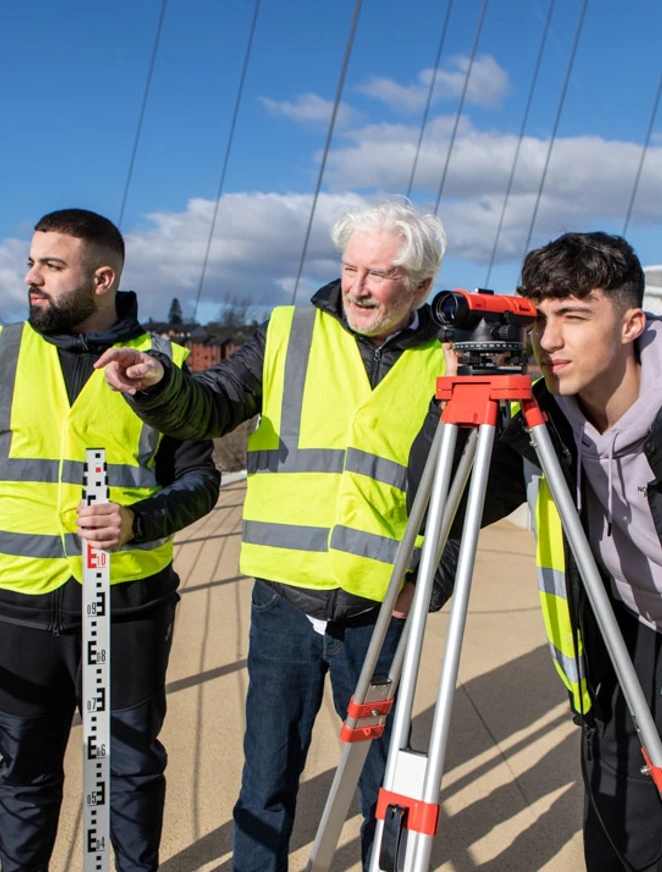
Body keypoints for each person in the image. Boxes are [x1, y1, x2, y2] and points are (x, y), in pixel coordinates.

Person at [94, 199, 458, 871]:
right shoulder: (288, 331)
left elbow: (464, 488)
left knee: (382, 781)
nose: (359, 286)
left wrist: (429, 578)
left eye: (380, 273)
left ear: (422, 285)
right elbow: (210, 405)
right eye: (351, 267)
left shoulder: (450, 360)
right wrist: (157, 385)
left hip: (382, 606)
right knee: (265, 781)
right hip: (283, 600)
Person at [0, 208, 220, 872]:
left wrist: (140, 522)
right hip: (11, 606)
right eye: (30, 263)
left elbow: (200, 480)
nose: (31, 279)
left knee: (129, 766)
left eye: (51, 265)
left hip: (128, 604)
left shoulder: (166, 366)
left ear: (101, 279)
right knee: (23, 771)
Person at [409, 231, 662, 871]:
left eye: (574, 317)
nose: (548, 341)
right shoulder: (539, 411)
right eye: (540, 317)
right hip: (625, 635)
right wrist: (458, 399)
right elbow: (446, 501)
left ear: (632, 323)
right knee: (623, 836)